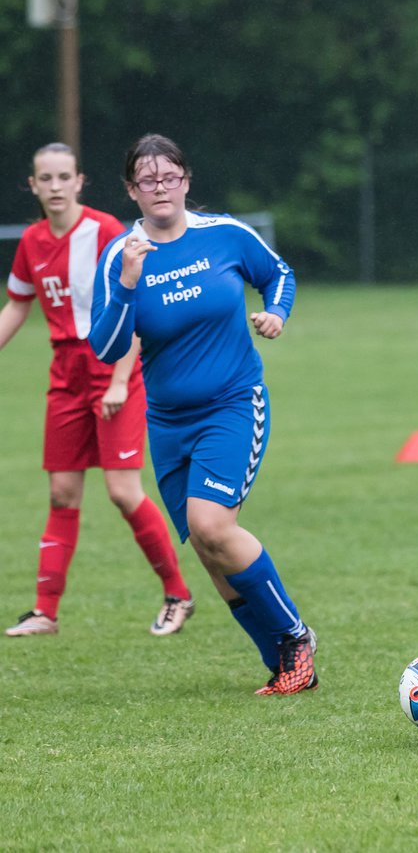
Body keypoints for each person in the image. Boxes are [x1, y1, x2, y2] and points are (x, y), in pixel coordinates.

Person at [88, 134, 316, 695]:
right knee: (210, 550)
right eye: (147, 179)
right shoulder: (121, 257)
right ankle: (284, 665)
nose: (159, 187)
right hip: (168, 423)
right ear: (131, 191)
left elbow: (278, 273)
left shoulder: (226, 235)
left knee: (214, 525)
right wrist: (125, 289)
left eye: (169, 176)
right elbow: (108, 349)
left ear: (186, 180)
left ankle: (296, 637)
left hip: (234, 404)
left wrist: (276, 313)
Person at [3, 142, 194, 638]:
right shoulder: (31, 241)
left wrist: (117, 379)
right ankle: (45, 612)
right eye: (45, 178)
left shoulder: (108, 231)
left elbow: (136, 307)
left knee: (122, 491)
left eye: (64, 177)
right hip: (65, 378)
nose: (55, 186)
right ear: (33, 185)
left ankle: (178, 593)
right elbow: (17, 306)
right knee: (63, 494)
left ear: (80, 181)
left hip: (113, 369)